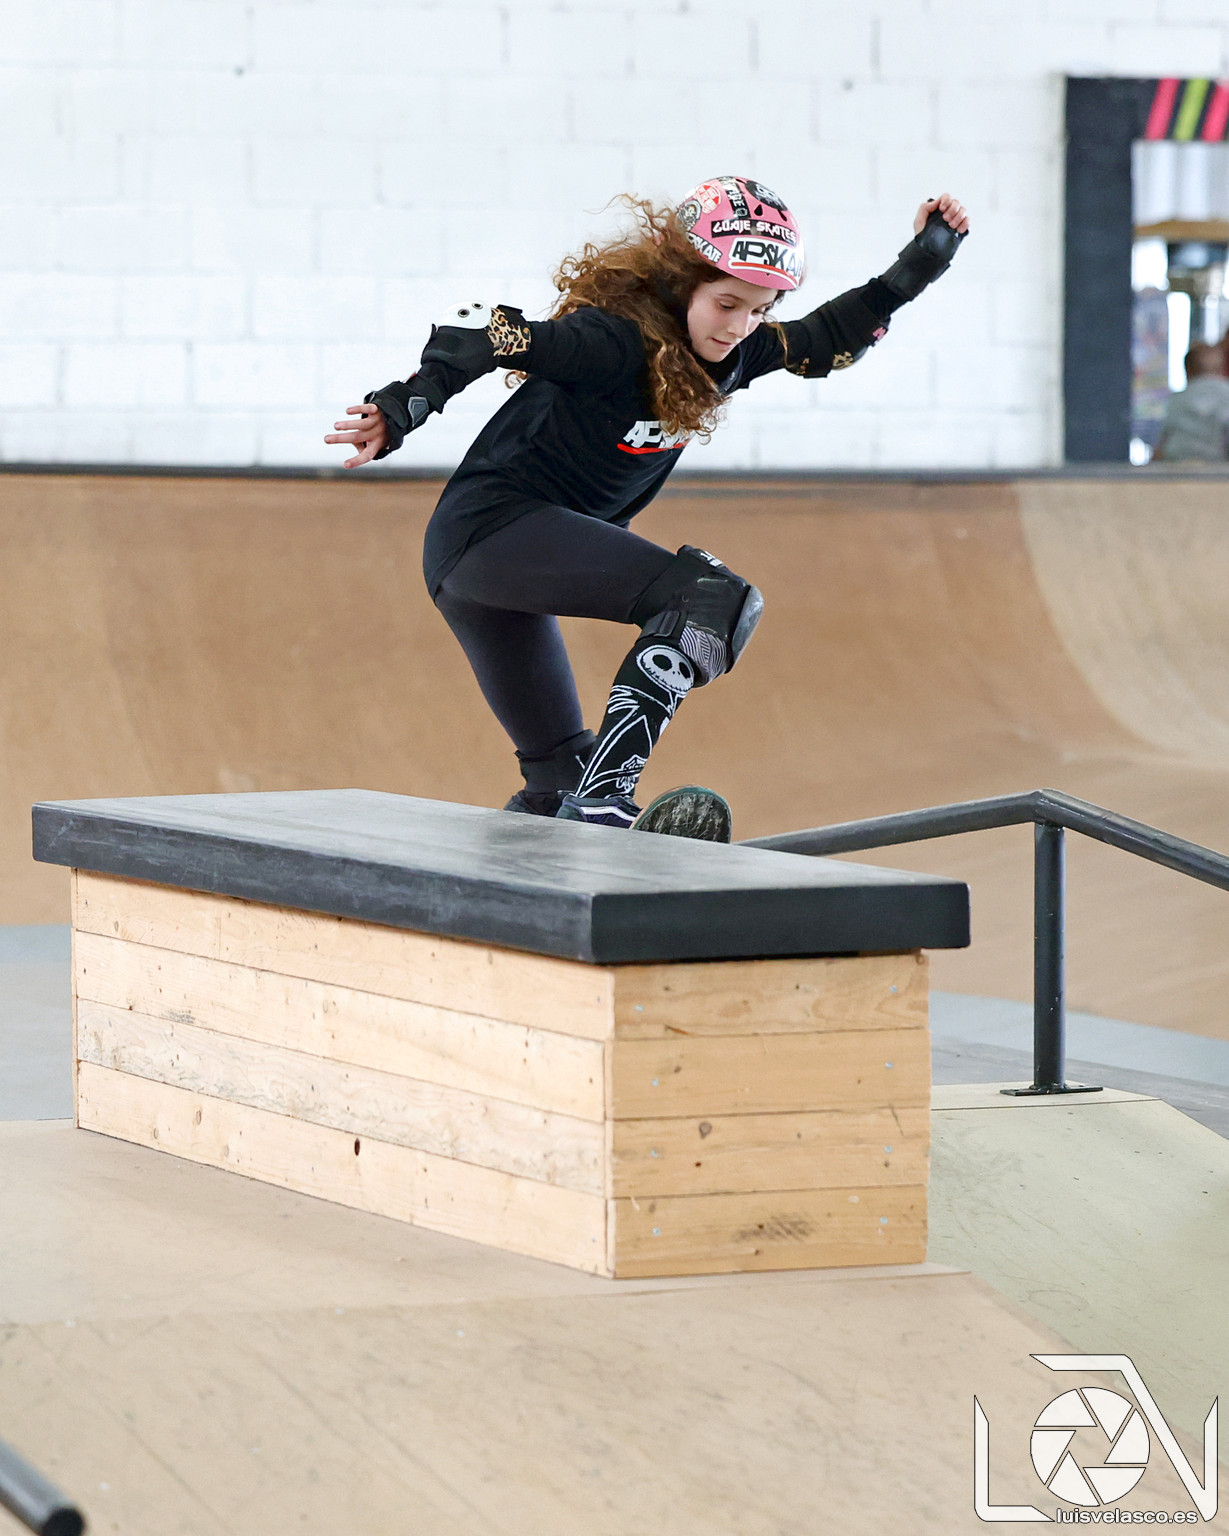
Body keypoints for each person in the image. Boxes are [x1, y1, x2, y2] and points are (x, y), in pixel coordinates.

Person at [325, 178, 969, 830]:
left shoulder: (737, 351)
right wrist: (403, 408)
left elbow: (826, 335)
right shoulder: (611, 342)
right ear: (679, 283)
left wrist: (921, 262)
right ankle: (604, 799)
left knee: (554, 779)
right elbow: (482, 331)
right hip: (490, 534)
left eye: (758, 310)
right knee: (709, 600)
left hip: (489, 571)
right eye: (725, 304)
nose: (738, 328)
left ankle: (553, 834)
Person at [1154, 340, 1229, 462]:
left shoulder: (1177, 399)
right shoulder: (1226, 394)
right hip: (1217, 466)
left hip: (1175, 464)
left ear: (1188, 370)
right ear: (1220, 368)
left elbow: (1163, 442)